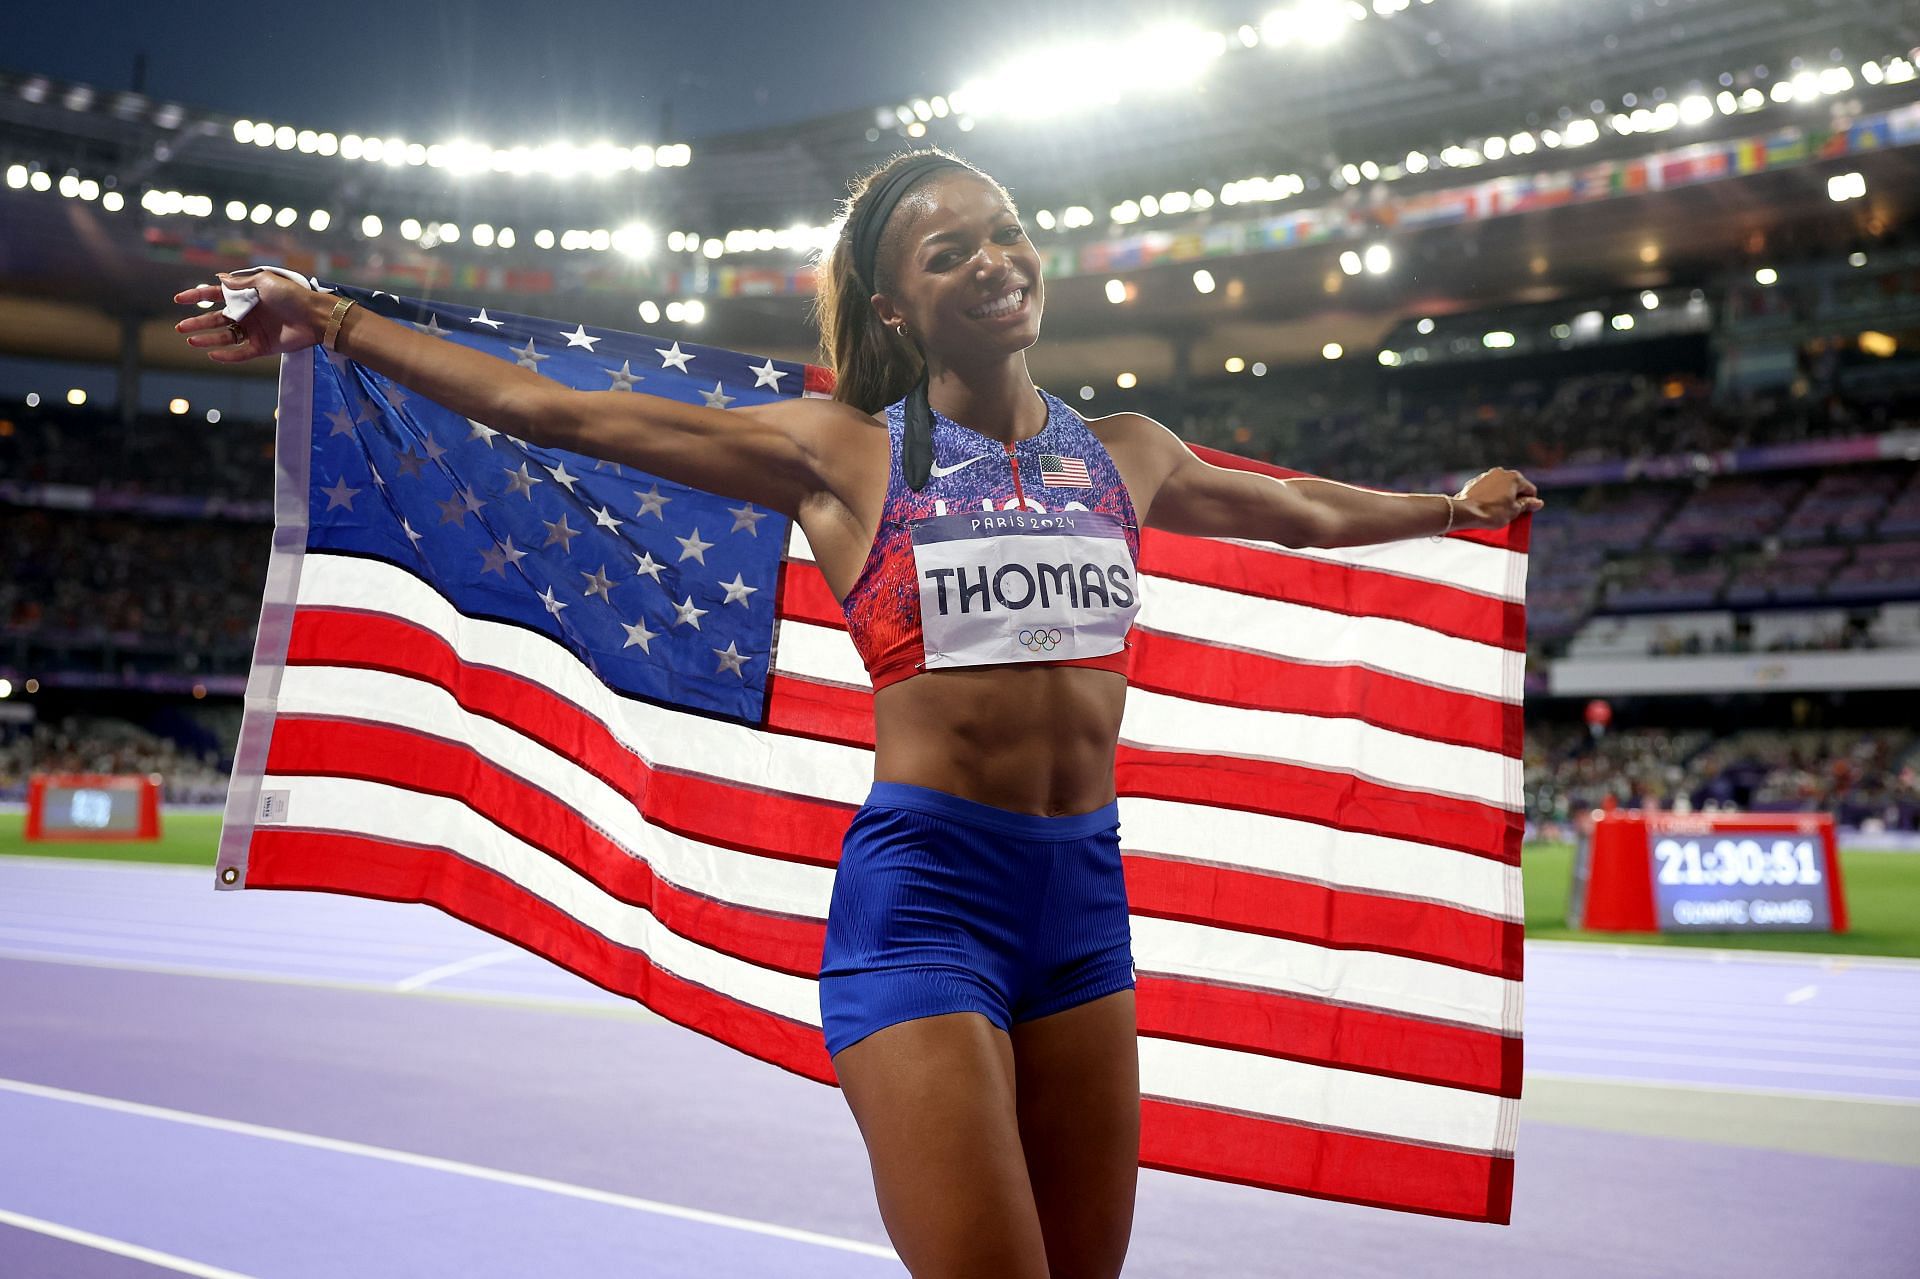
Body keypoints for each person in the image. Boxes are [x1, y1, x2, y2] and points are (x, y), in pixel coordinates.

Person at [174, 148, 1541, 1279]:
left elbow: (1300, 514)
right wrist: (336, 321)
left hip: (1085, 906)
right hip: (927, 905)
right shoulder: (845, 454)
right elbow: (556, 412)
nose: (995, 262)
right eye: (950, 254)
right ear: (893, 308)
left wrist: (1446, 512)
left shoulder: (1130, 454)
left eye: (1007, 235)